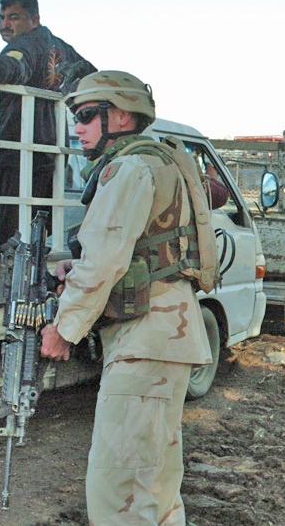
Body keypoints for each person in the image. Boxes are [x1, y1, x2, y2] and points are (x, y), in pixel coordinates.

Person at [40, 70, 213, 524]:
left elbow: (105, 263)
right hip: (160, 338)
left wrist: (64, 329)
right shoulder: (155, 162)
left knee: (119, 492)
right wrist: (77, 271)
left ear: (118, 116)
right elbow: (134, 253)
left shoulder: (129, 168)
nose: (76, 127)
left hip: (146, 342)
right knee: (153, 486)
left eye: (84, 116)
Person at [0, 0, 96, 243]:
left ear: (34, 19)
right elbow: (92, 78)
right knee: (38, 230)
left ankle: (7, 278)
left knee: (6, 233)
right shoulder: (60, 48)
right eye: (2, 17)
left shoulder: (25, 46)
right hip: (50, 153)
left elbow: (12, 68)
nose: (5, 25)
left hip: (16, 152)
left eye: (14, 17)